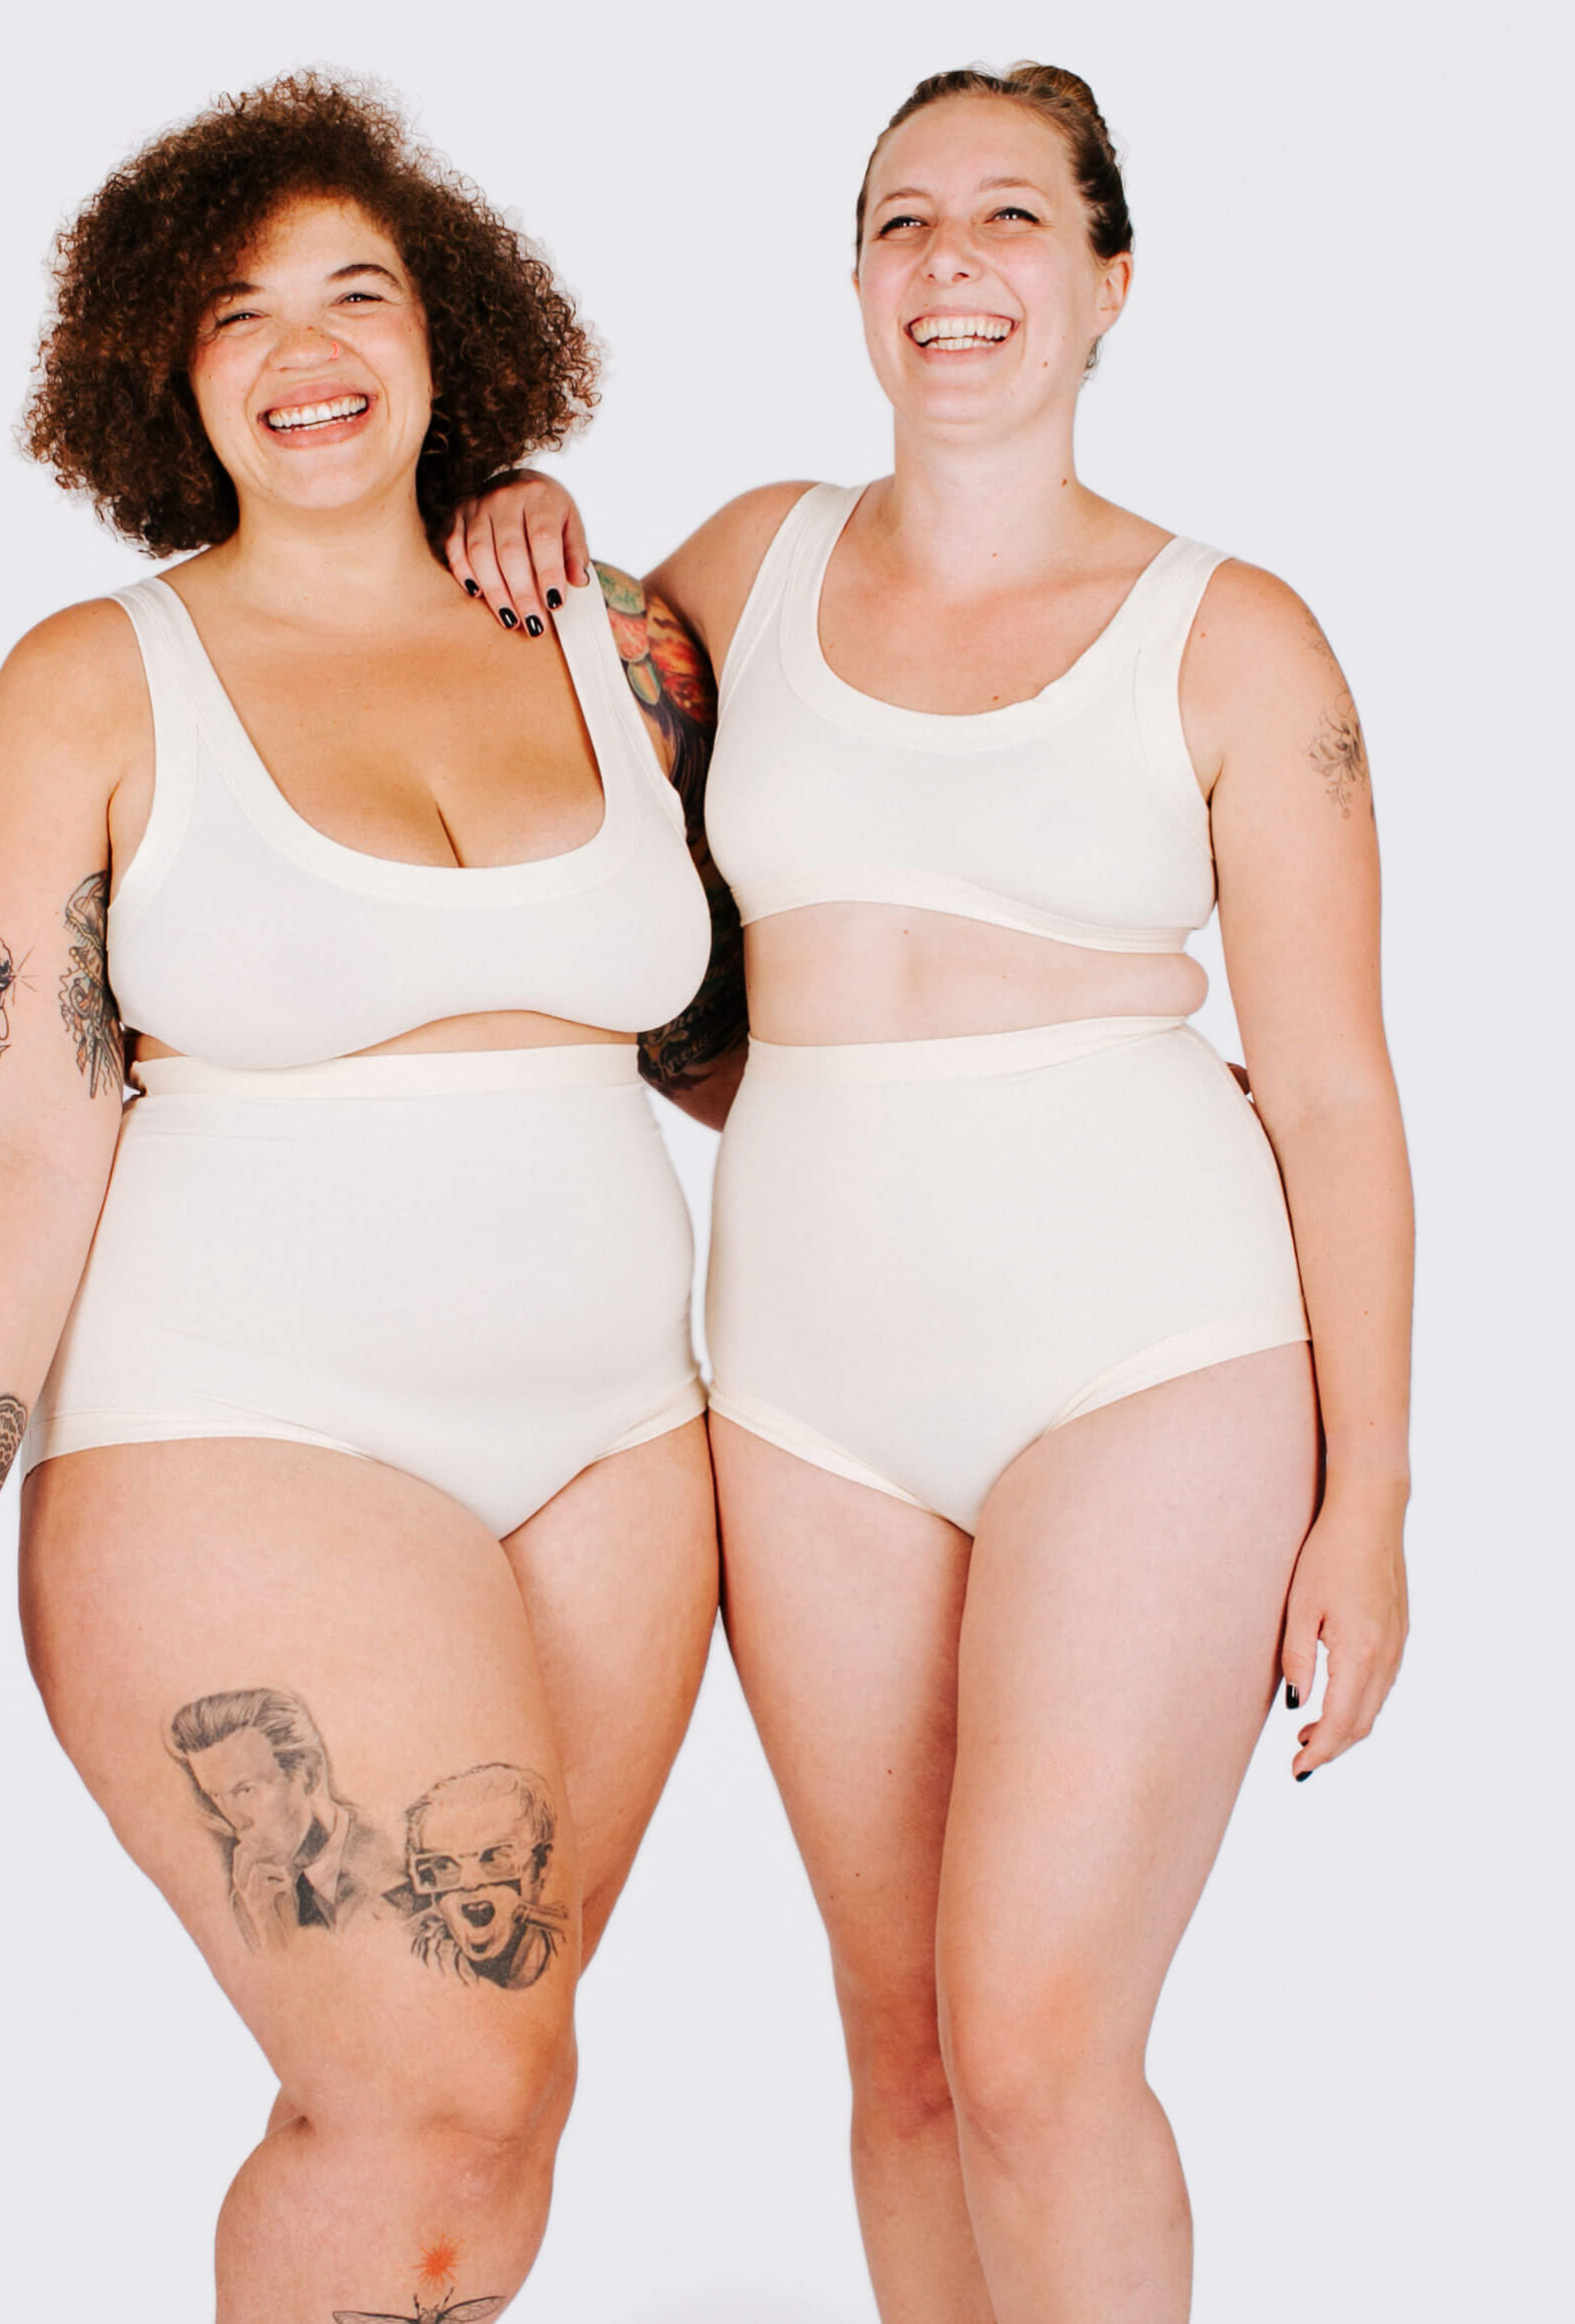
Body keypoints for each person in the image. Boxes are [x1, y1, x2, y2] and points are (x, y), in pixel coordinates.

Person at [448, 61, 1413, 2323]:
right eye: (900, 220)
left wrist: (1369, 1493)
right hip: (806, 1381)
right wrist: (529, 515)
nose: (949, 264)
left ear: (1108, 281)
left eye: (1008, 219)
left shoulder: (1233, 634)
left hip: (1148, 1351)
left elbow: (1337, 1092)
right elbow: (586, 845)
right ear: (857, 277)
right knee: (902, 2058)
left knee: (1040, 2046)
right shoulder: (750, 559)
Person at [0, 72, 733, 2323]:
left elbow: (736, 1030)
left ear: (452, 334)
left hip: (625, 1445)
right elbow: (5, 1141)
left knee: (489, 2098)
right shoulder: (91, 683)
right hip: (245, 1433)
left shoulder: (613, 635)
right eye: (238, 312)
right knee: (430, 2092)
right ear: (163, 368)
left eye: (358, 292)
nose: (305, 348)